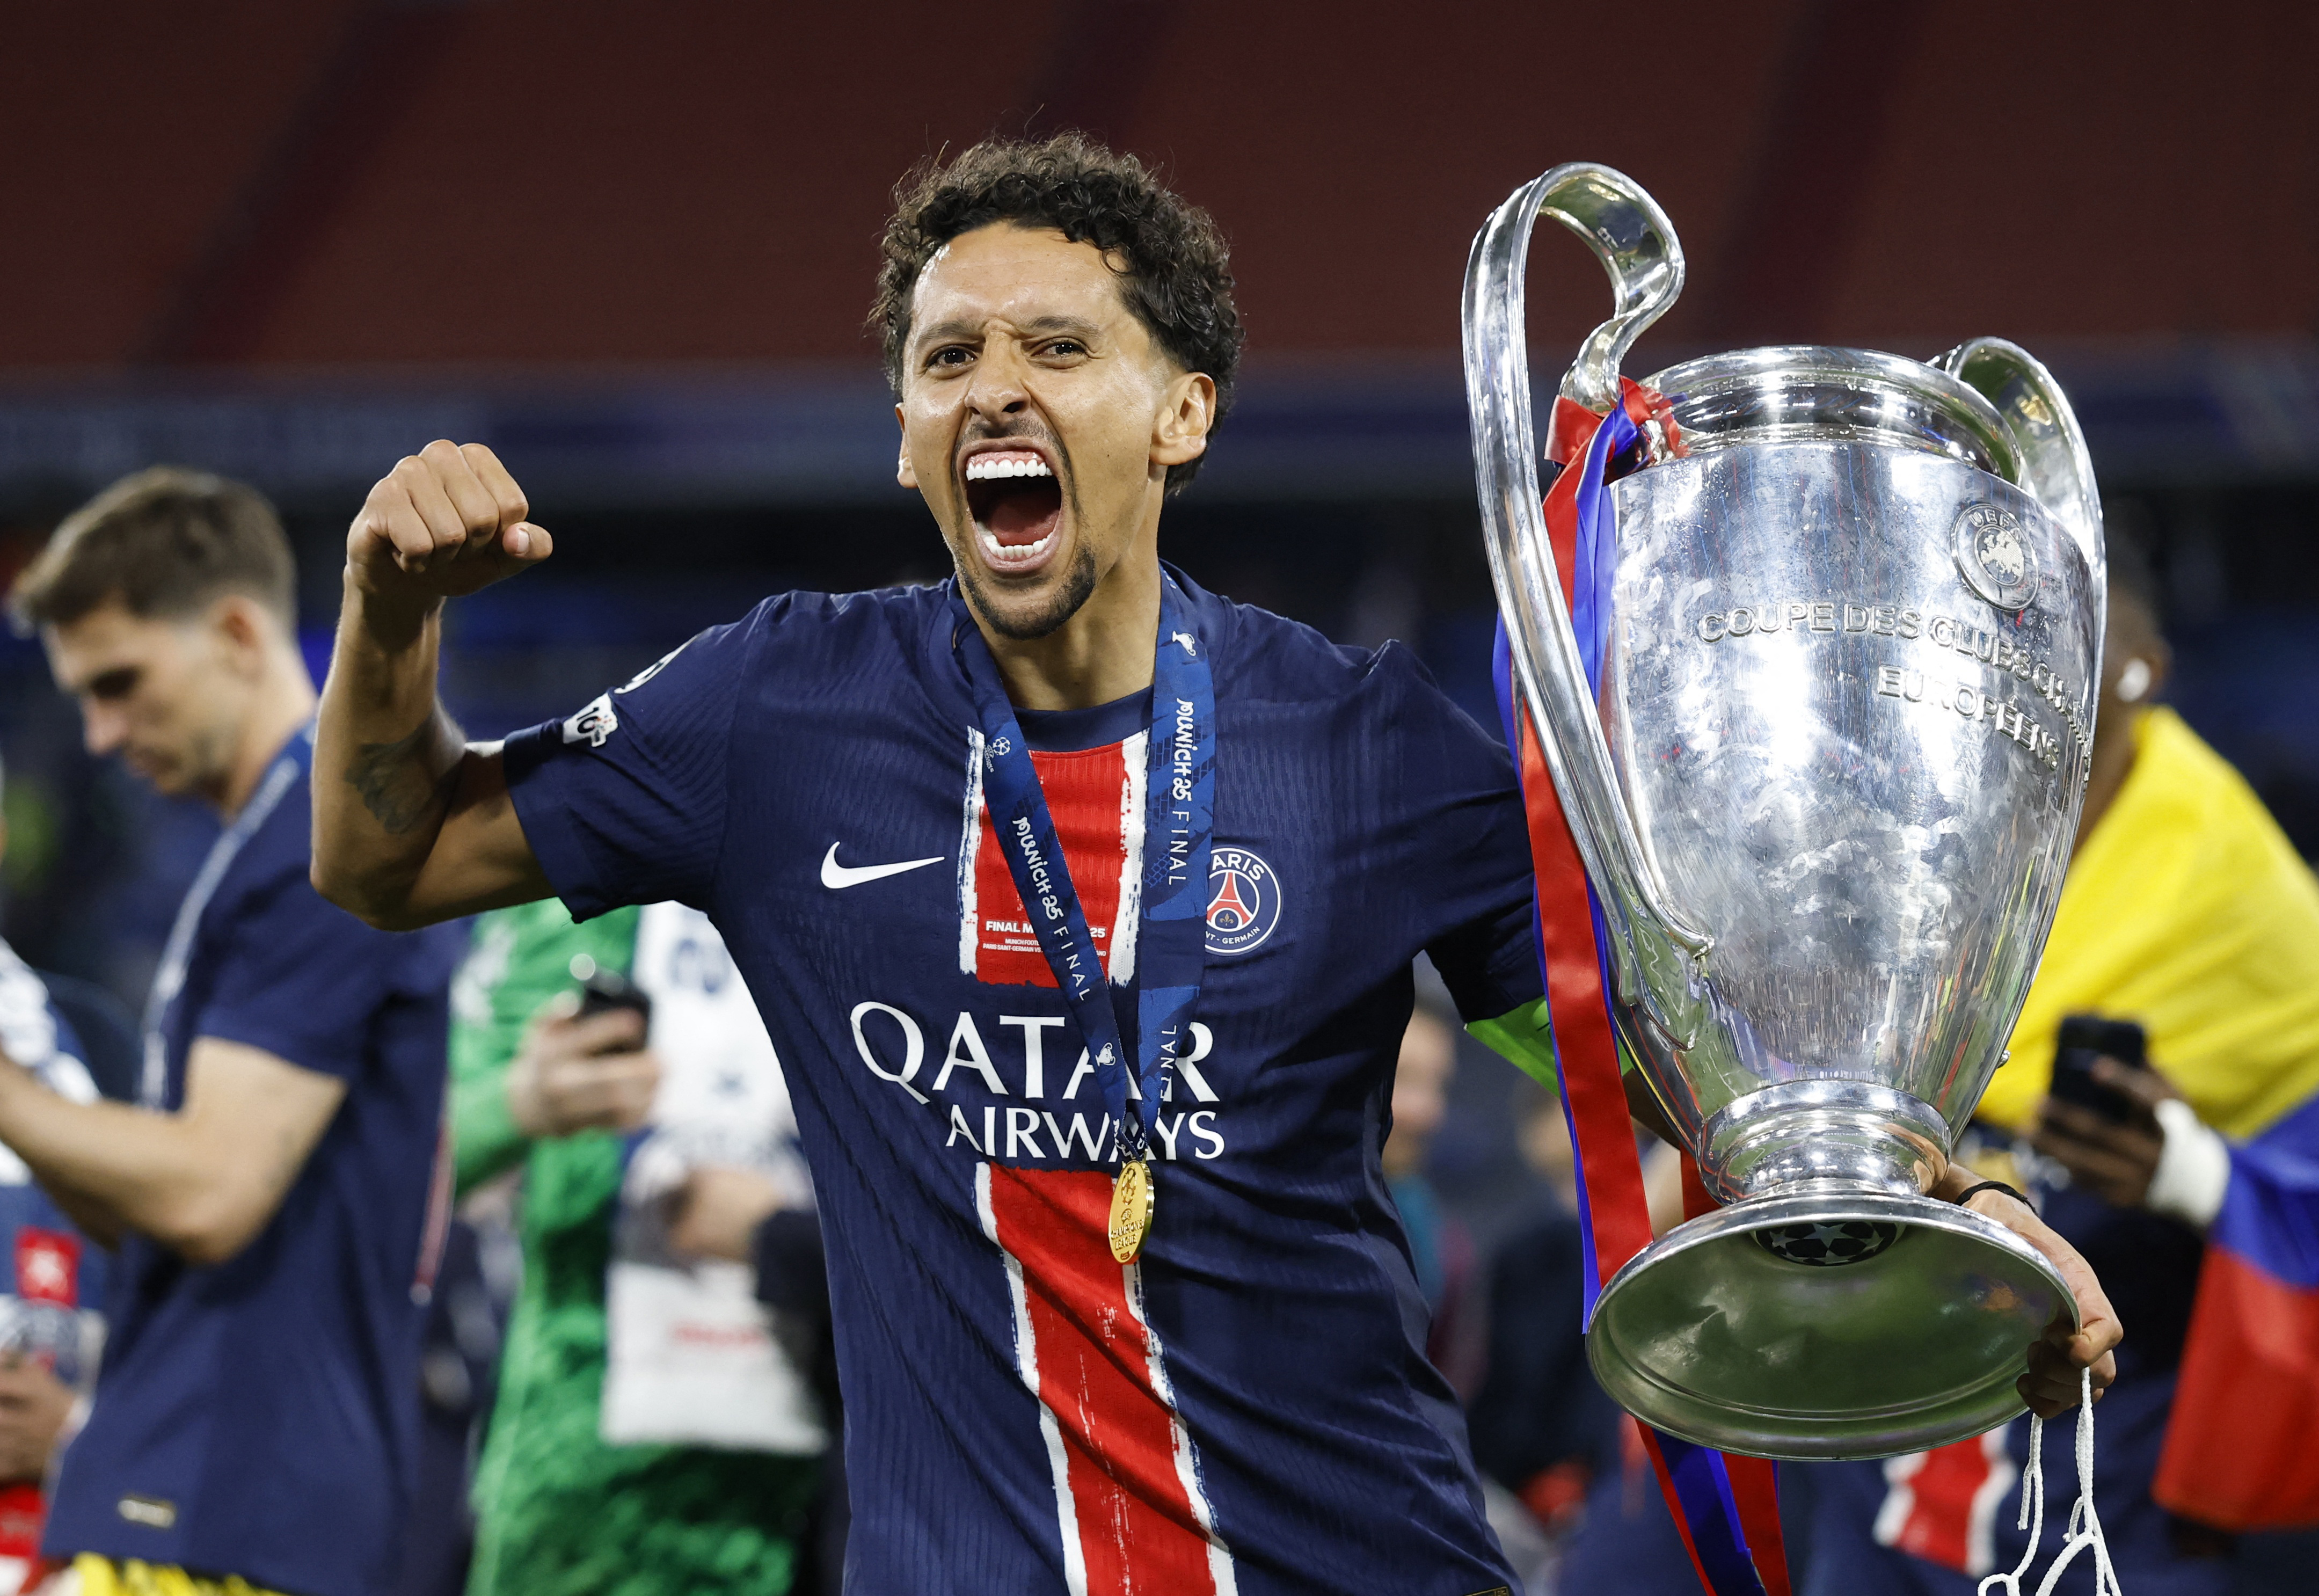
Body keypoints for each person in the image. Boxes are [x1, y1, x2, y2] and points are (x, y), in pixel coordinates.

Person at [307, 135, 2118, 1595]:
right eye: (948, 360)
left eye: (1058, 349)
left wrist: (1927, 1213)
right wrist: (387, 617)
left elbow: (1669, 1075)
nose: (993, 390)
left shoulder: (1367, 746)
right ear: (905, 438)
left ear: (1183, 414)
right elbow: (387, 860)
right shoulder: (774, 710)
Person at [1795, 544, 2319, 1595]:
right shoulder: (1891, 846)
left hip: (2126, 1504)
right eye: (1996, 648)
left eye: (2063, 646)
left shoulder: (2238, 897)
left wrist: (2193, 1175)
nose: (2023, 676)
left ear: (2143, 669)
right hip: (1888, 1489)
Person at [4, 468, 464, 1596]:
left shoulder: (319, 854)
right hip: (224, 1494)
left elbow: (212, 1192)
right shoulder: (277, 847)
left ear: (238, 631)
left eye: (121, 683)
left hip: (218, 1499)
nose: (104, 734)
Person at [450, 898, 825, 1596]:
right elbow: (408, 1155)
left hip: (819, 1485)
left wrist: (787, 1242)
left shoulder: (867, 875)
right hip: (577, 1493)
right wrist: (517, 1102)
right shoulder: (564, 901)